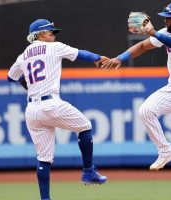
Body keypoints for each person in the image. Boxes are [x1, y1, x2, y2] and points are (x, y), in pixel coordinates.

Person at [101, 2, 171, 200]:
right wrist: (120, 58)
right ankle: (165, 150)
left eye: (169, 17)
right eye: (164, 17)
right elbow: (143, 45)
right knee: (145, 111)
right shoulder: (165, 32)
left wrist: (155, 33)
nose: (165, 20)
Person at [7, 19, 107, 200]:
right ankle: (89, 172)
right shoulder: (55, 47)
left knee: (44, 158)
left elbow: (10, 77)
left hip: (32, 110)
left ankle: (45, 198)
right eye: (51, 32)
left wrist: (29, 83)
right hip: (51, 103)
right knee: (84, 127)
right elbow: (80, 54)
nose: (53, 35)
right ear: (41, 34)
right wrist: (98, 58)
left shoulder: (23, 55)